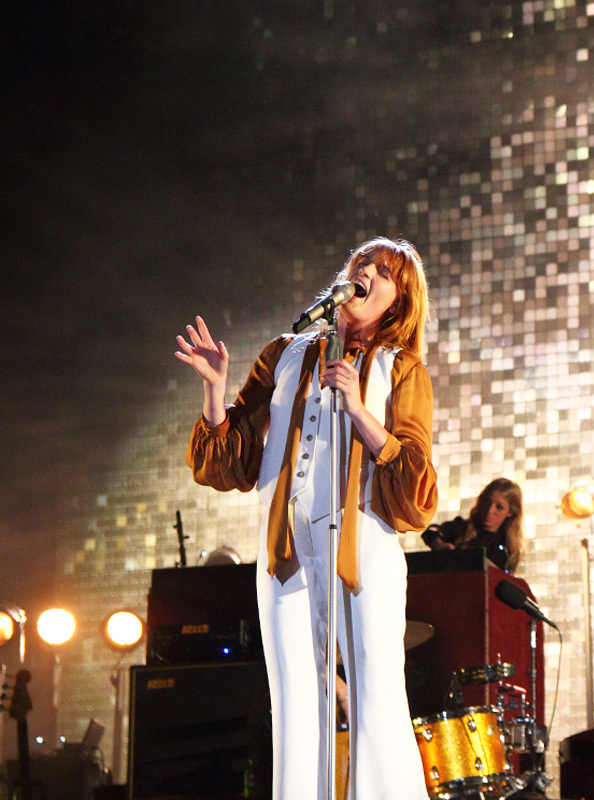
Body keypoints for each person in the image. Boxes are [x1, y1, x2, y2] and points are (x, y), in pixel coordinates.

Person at [176, 237, 438, 800]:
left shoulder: (402, 367)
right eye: (359, 265)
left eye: (382, 273)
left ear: (398, 301)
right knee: (294, 696)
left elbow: (416, 486)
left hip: (363, 545)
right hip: (285, 548)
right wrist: (215, 390)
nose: (365, 274)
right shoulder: (286, 352)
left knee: (375, 693)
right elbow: (231, 462)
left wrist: (359, 408)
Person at [422, 478, 524, 572]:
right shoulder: (461, 528)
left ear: (510, 512)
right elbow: (431, 531)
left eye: (499, 507)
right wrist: (438, 544)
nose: (490, 510)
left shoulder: (508, 548)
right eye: (487, 502)